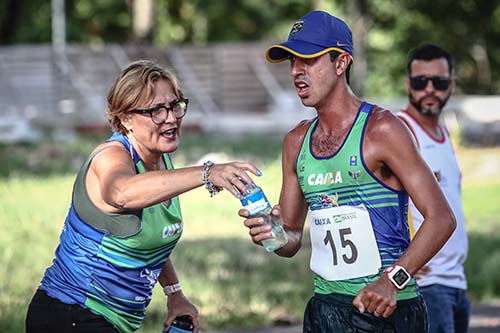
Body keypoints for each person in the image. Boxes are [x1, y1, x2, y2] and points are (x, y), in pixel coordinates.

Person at [239, 10, 457, 332]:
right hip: (325, 307)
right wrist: (271, 232)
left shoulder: (382, 130)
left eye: (308, 60)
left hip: (386, 307)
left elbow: (441, 218)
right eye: (291, 62)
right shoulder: (296, 141)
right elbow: (291, 238)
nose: (297, 71)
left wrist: (392, 280)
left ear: (341, 63)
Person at [25, 59, 261, 333]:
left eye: (175, 106)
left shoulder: (160, 161)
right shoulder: (110, 156)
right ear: (125, 119)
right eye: (156, 111)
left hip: (108, 323)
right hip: (69, 314)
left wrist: (175, 294)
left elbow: (148, 239)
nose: (171, 118)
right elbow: (122, 193)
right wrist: (208, 173)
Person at [398, 44, 470, 333]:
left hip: (456, 281)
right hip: (425, 283)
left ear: (451, 85)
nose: (429, 89)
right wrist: (401, 264)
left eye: (438, 82)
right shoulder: (400, 130)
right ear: (408, 85)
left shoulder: (444, 133)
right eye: (420, 82)